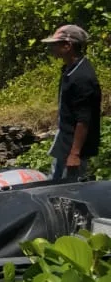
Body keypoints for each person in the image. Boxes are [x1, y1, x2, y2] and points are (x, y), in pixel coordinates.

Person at [41, 24, 102, 180]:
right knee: (55, 185)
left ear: (68, 46)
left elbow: (84, 119)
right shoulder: (70, 69)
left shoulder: (82, 77)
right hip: (65, 142)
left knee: (69, 193)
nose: (52, 49)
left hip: (74, 150)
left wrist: (75, 154)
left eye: (55, 44)